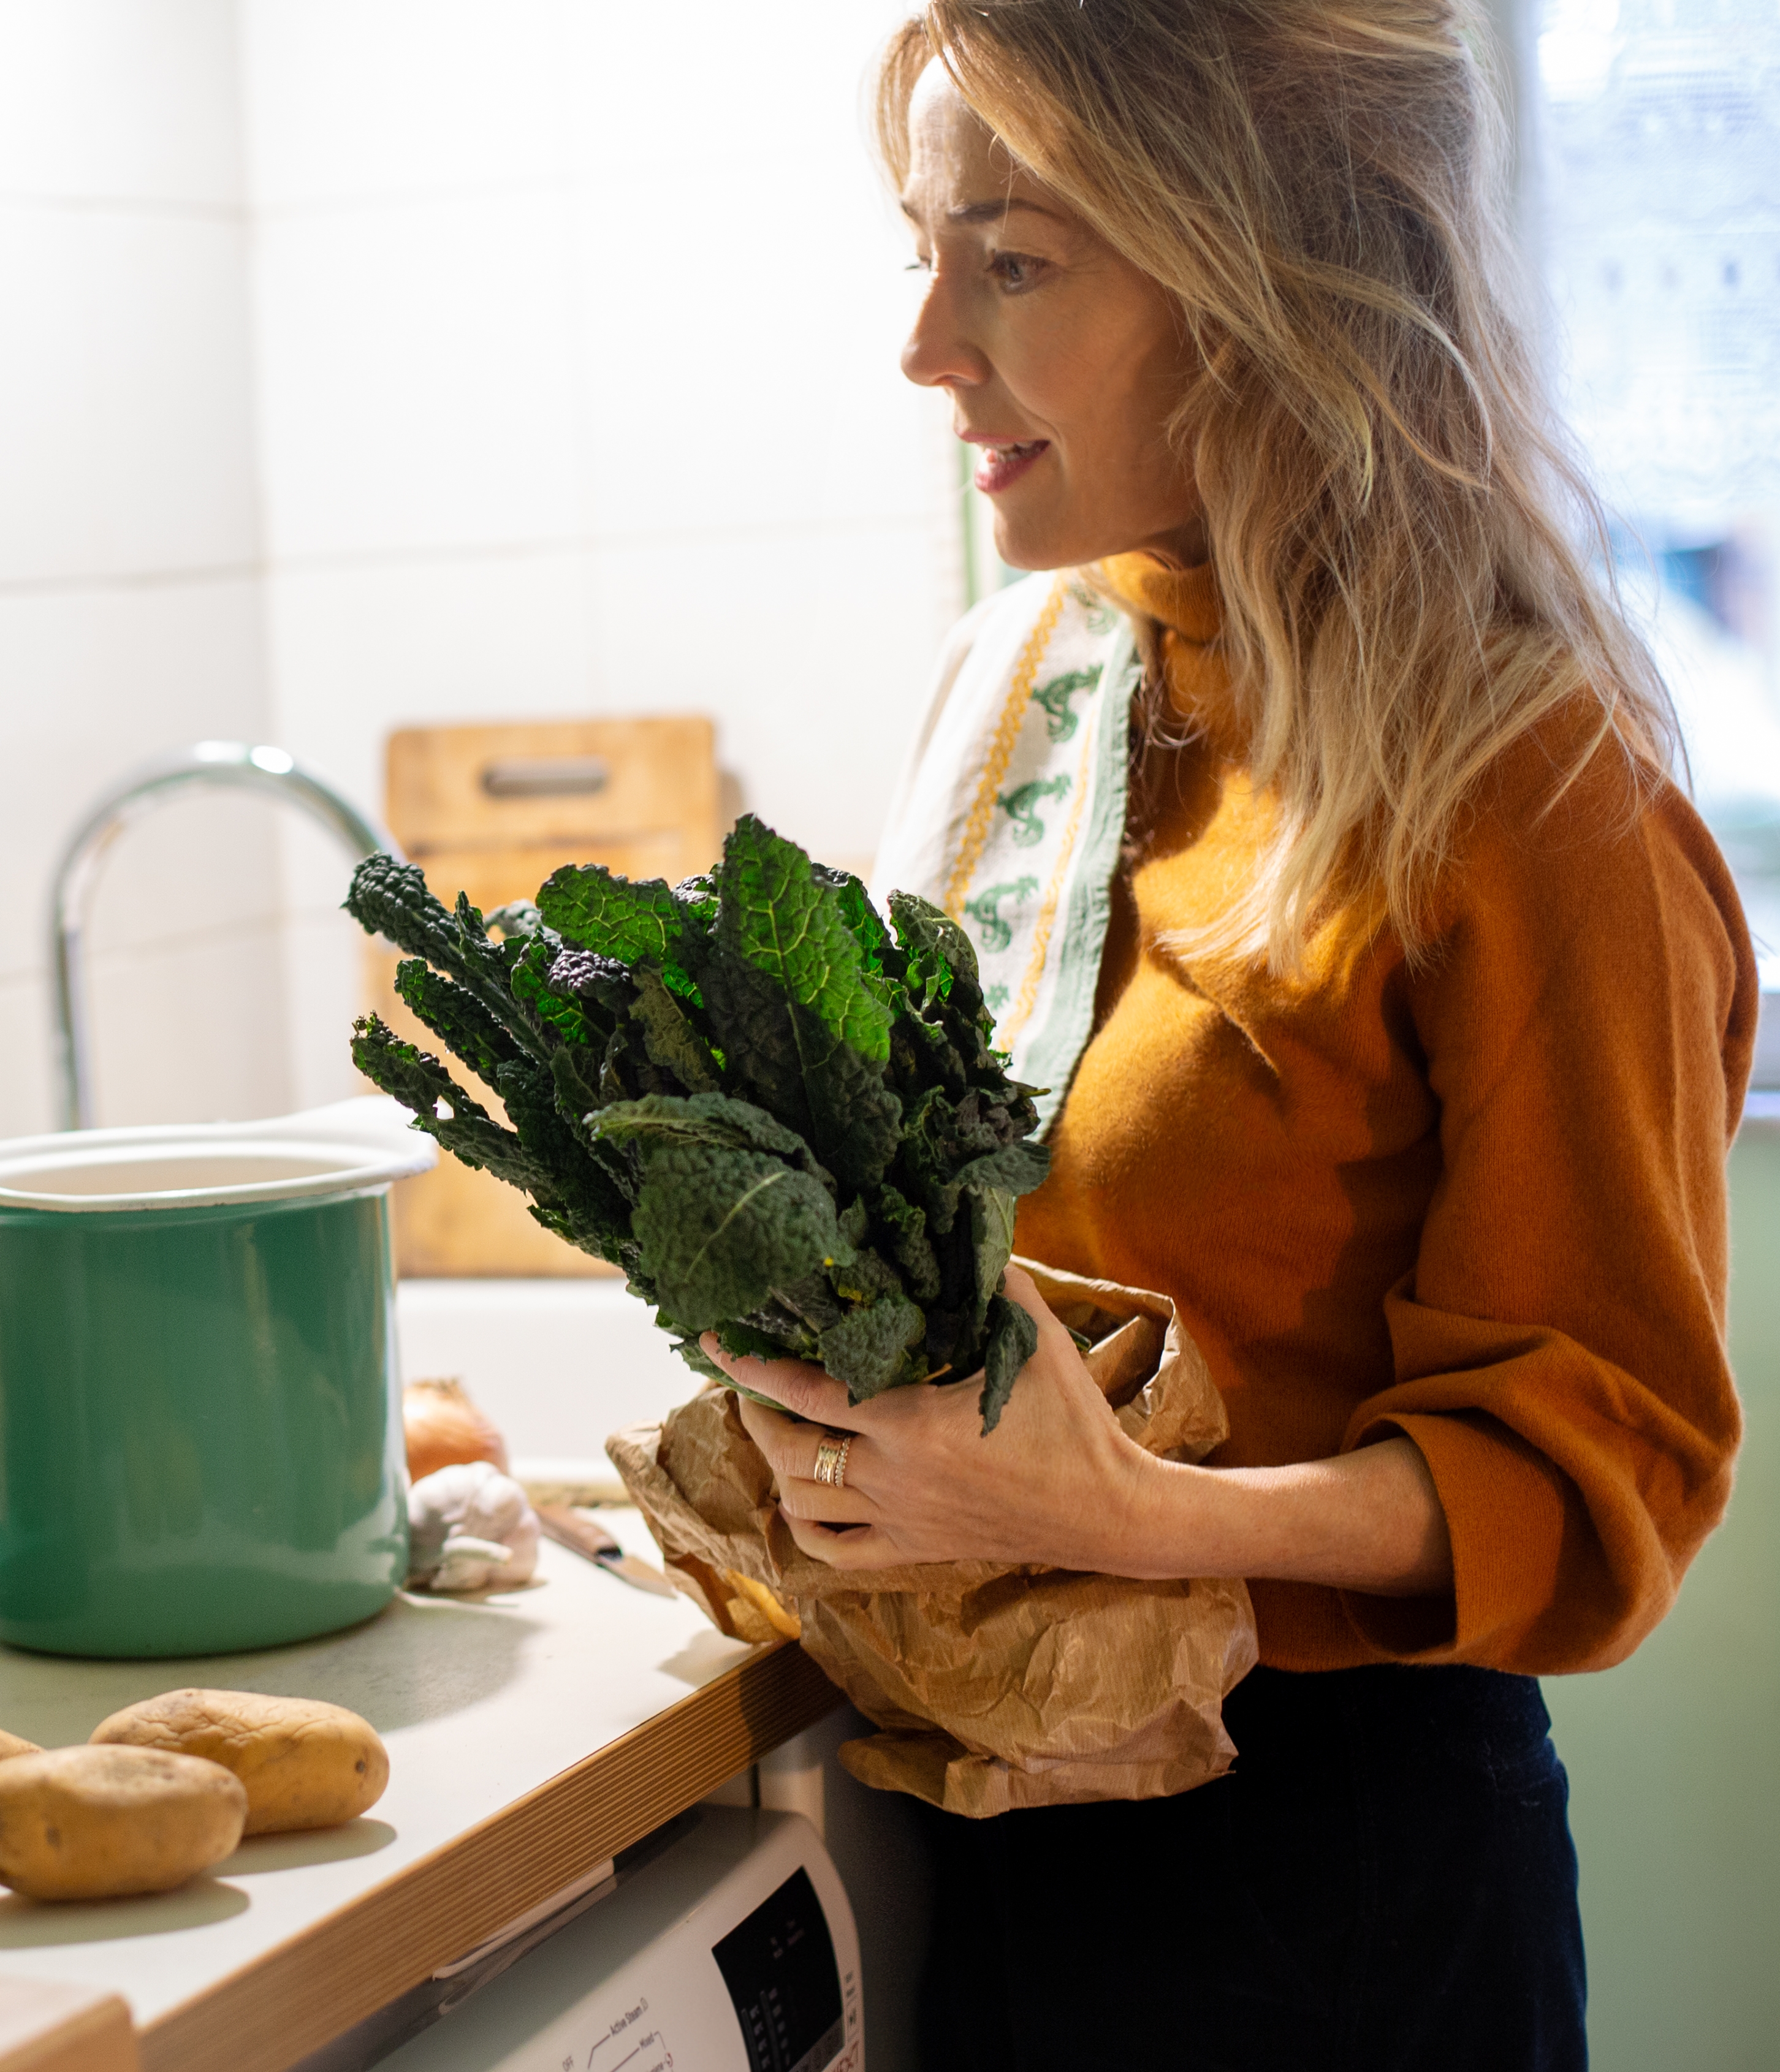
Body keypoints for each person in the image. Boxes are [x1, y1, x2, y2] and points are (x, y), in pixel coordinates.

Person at [710, 6, 1756, 2067]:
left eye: (1011, 258)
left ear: (1270, 278)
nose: (931, 344)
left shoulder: (1528, 787)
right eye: (925, 251)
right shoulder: (1029, 674)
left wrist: (1118, 1517)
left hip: (1331, 1888)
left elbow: (1600, 1479)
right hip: (1004, 1826)